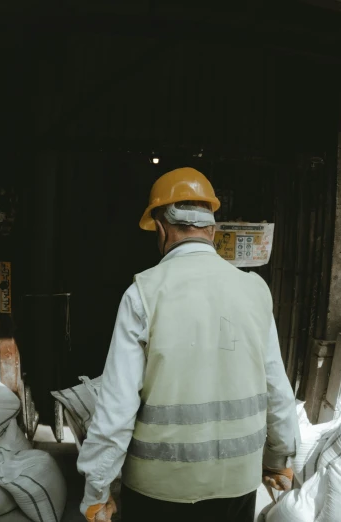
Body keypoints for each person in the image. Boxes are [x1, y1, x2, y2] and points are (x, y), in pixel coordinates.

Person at [78, 167, 299, 522]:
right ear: (211, 228)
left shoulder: (143, 294)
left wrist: (96, 491)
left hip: (158, 490)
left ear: (161, 228)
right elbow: (278, 390)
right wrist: (279, 460)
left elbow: (116, 409)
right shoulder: (255, 291)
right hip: (237, 484)